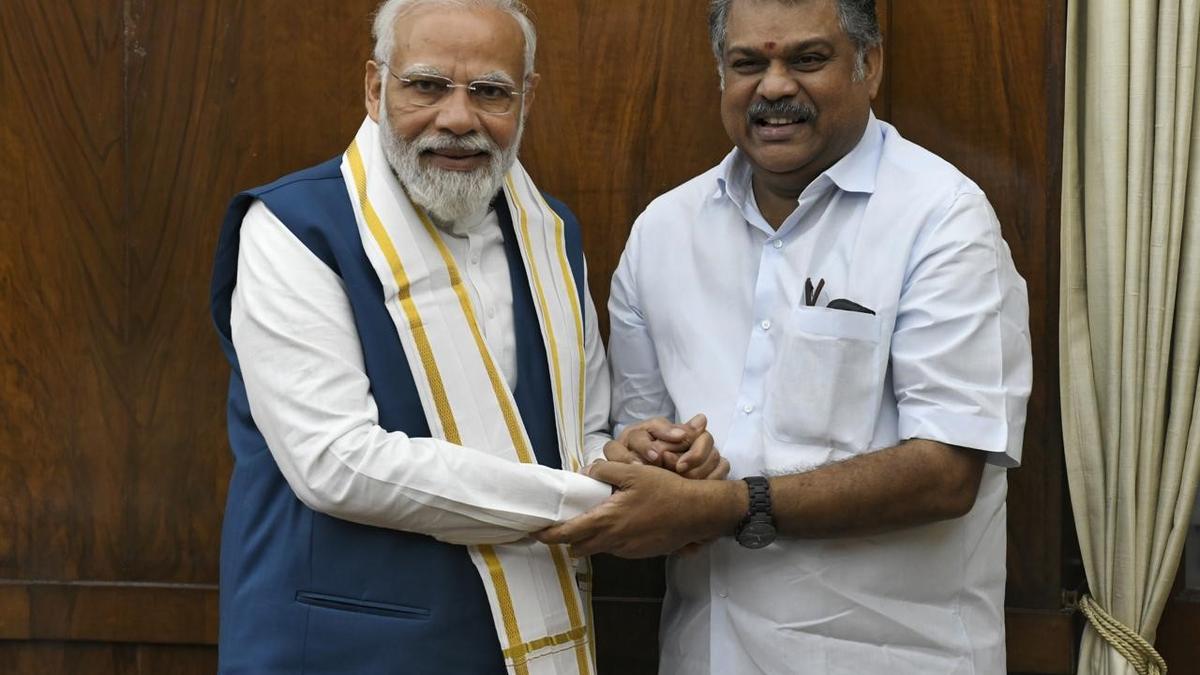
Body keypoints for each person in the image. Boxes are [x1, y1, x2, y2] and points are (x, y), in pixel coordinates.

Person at [208, 1, 721, 672]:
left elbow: (578, 436)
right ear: (374, 87)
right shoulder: (292, 229)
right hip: (338, 649)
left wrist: (636, 462)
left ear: (526, 98)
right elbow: (336, 463)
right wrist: (611, 502)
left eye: (489, 92)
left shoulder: (550, 235)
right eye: (426, 85)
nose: (458, 118)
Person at [537, 0, 1033, 673]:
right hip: (702, 654)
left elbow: (947, 474)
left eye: (806, 58)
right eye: (748, 63)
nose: (772, 86)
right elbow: (639, 435)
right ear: (721, 75)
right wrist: (657, 456)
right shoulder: (664, 231)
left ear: (870, 65)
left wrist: (727, 503)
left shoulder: (942, 219)